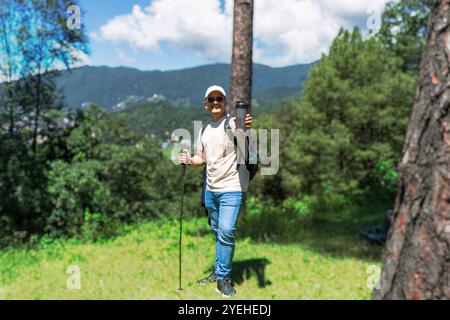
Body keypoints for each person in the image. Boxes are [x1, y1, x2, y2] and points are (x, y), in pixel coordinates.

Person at [178, 85, 252, 297]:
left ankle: (223, 279)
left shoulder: (232, 122)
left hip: (232, 188)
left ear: (225, 102)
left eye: (219, 98)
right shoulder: (203, 130)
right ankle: (218, 270)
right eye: (211, 99)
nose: (216, 102)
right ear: (206, 104)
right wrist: (189, 160)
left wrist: (245, 125)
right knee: (217, 231)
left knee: (226, 231)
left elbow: (243, 129)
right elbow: (201, 158)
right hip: (211, 190)